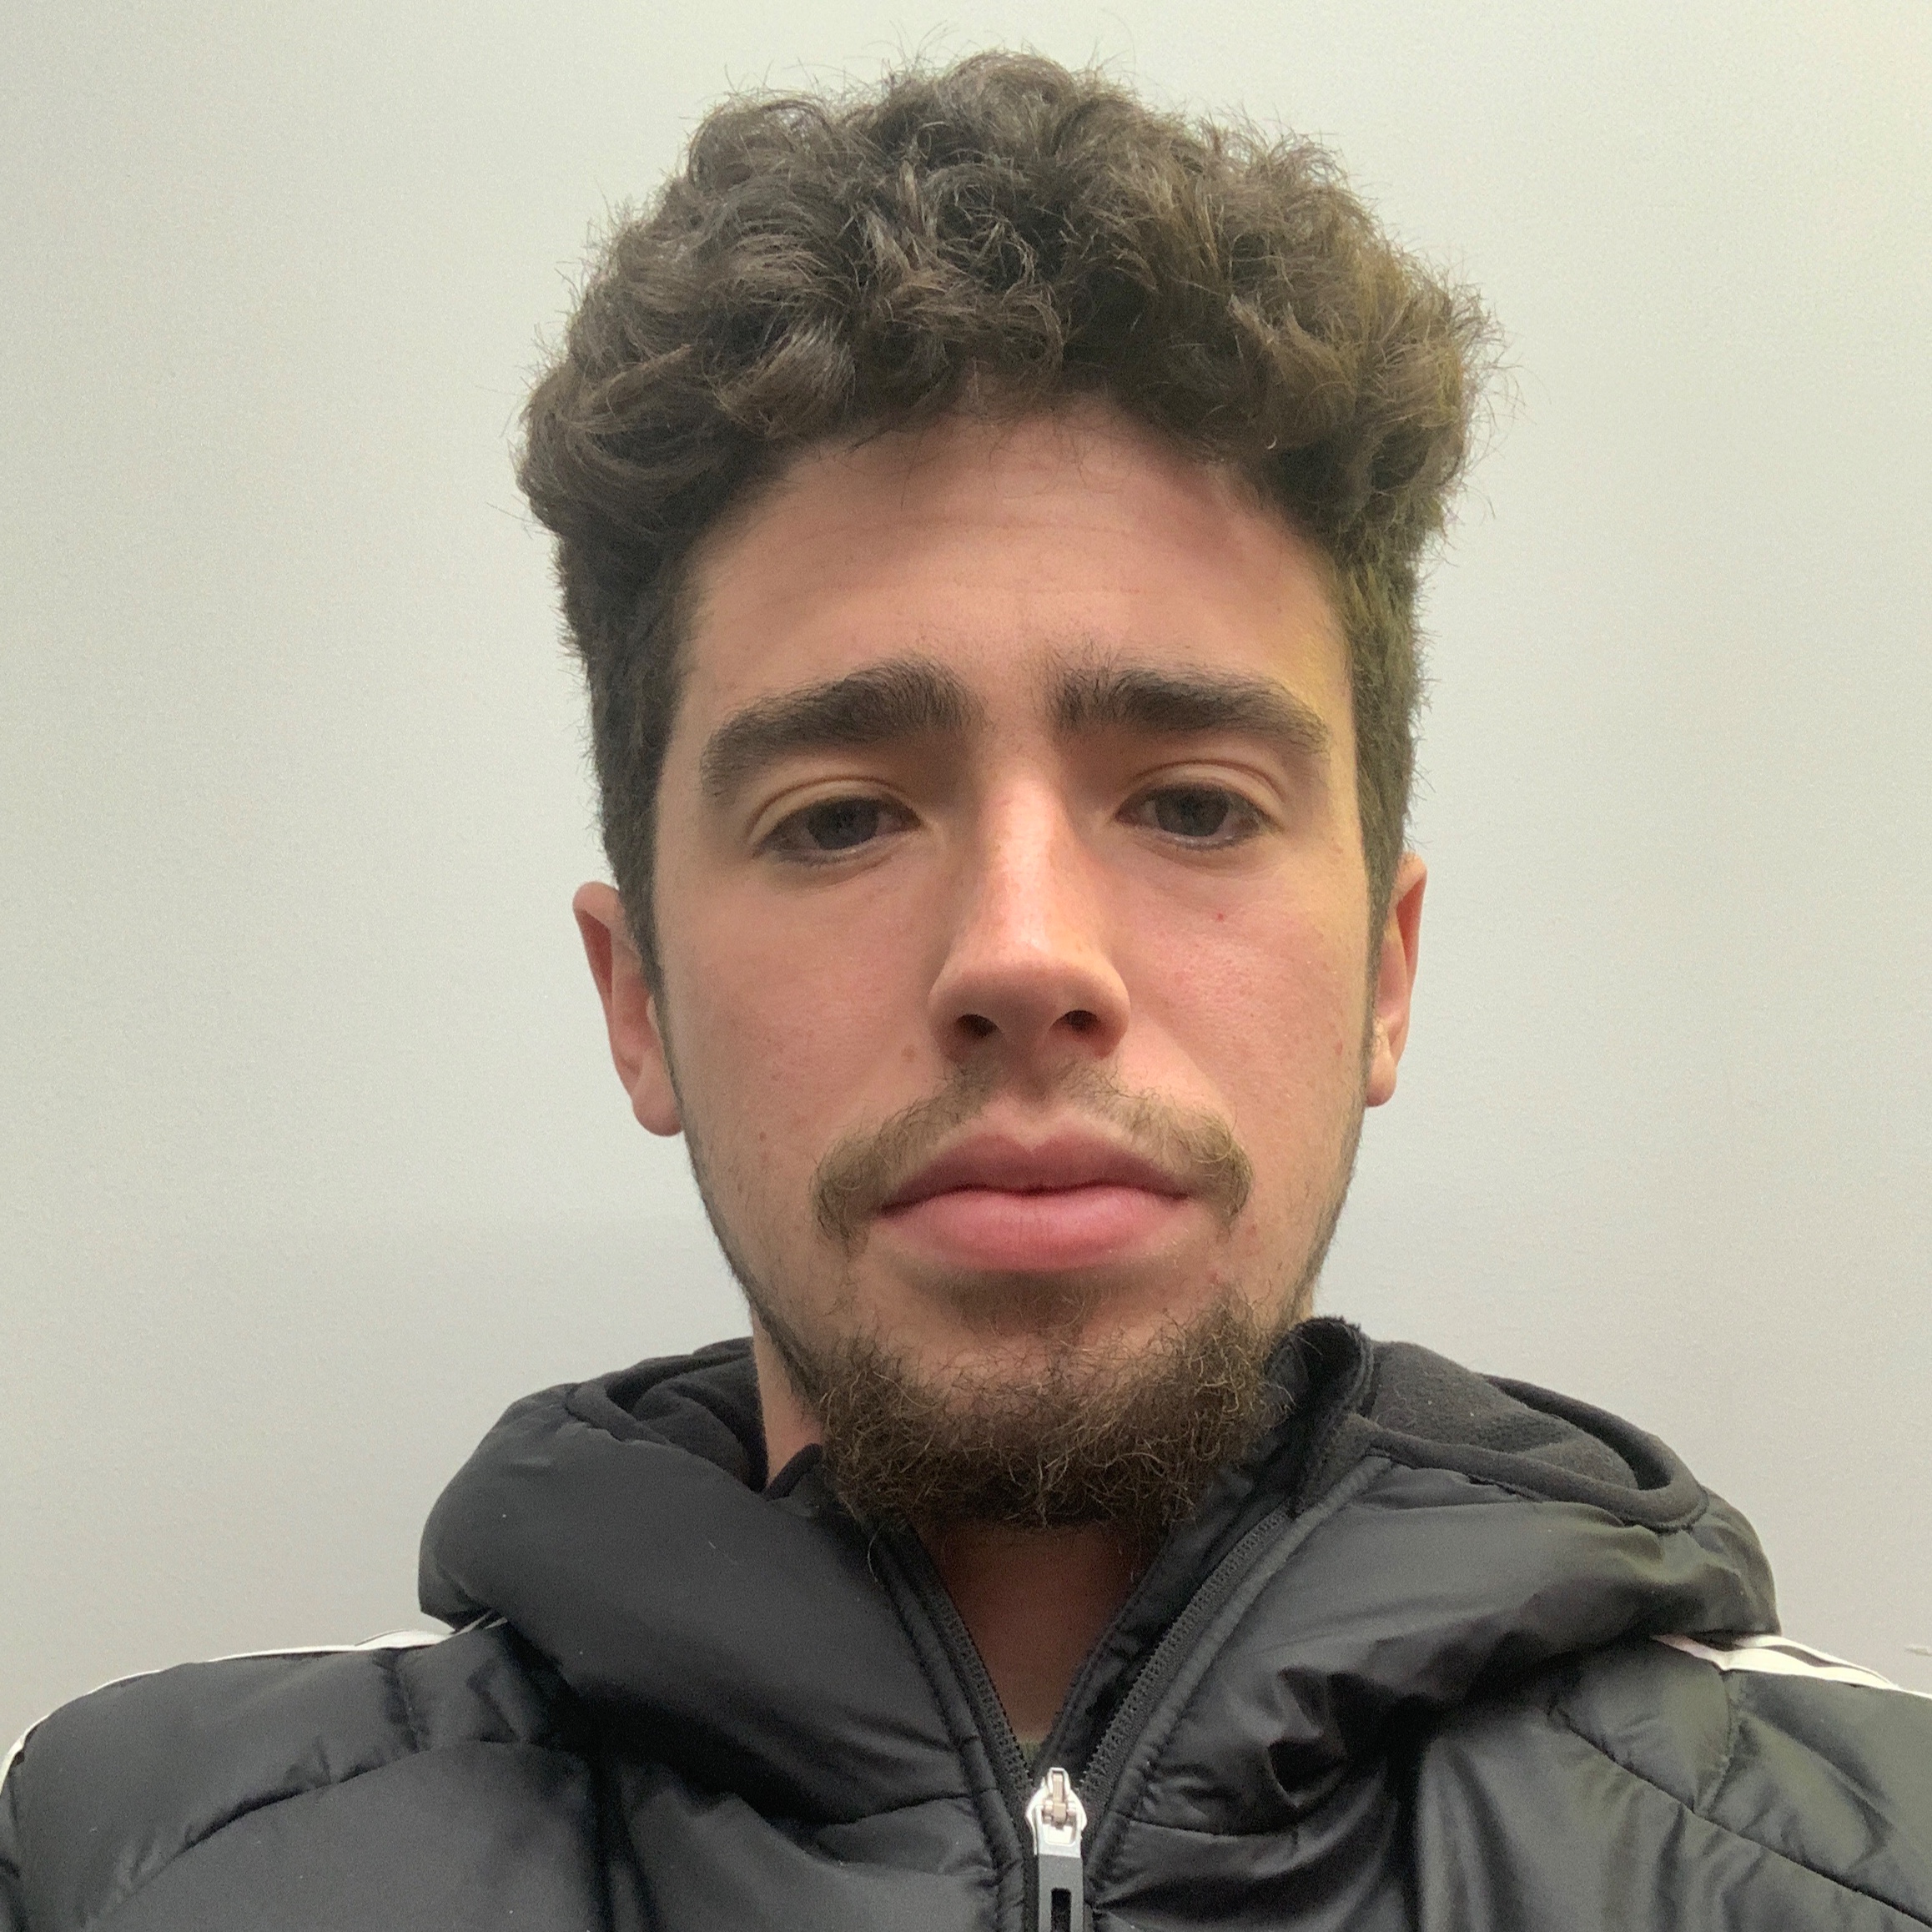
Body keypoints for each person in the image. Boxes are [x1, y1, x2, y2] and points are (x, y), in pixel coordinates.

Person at [3, 51, 1927, 1932]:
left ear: (1386, 976)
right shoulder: (128, 1867)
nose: (1024, 953)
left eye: (1192, 803)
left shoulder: (1874, 1862)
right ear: (638, 998)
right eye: (842, 818)